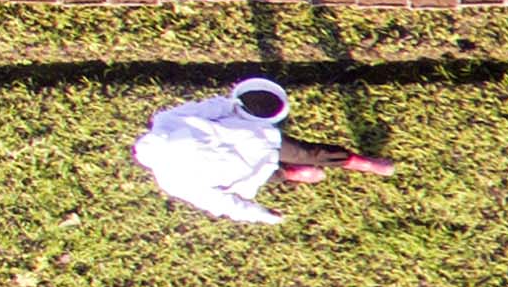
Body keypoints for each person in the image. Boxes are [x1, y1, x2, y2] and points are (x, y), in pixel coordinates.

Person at [132, 76, 393, 226]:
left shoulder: (168, 121)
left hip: (256, 139)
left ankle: (362, 163)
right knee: (275, 175)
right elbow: (219, 202)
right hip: (244, 172)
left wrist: (241, 107)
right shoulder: (173, 180)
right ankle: (295, 175)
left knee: (309, 152)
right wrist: (260, 214)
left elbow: (212, 109)